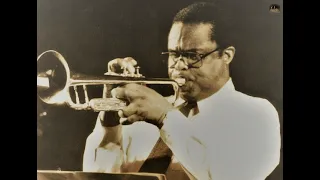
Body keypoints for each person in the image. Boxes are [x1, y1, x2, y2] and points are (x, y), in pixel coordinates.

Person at [83, 2, 281, 180]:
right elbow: (100, 175)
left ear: (226, 55)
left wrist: (165, 117)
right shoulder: (143, 111)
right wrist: (110, 123)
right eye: (174, 54)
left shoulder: (256, 113)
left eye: (192, 55)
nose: (178, 66)